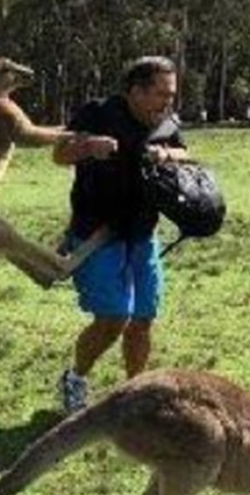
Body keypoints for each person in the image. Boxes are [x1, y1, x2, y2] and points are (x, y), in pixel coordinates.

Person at [52, 56, 188, 413]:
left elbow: (186, 152)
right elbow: (59, 154)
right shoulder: (98, 113)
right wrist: (88, 147)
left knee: (142, 320)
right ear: (135, 90)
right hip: (97, 234)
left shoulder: (165, 123)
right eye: (161, 94)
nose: (167, 102)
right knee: (113, 318)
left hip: (143, 233)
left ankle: (135, 394)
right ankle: (75, 378)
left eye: (171, 95)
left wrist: (166, 153)